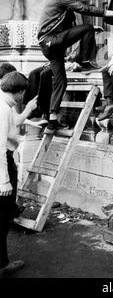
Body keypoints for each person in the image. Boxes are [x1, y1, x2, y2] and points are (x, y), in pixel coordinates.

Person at [37, 0, 113, 132]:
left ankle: (52, 120)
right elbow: (85, 9)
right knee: (88, 26)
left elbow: (67, 27)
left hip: (47, 46)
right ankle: (87, 62)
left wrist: (85, 32)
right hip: (53, 40)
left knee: (61, 81)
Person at [0, 71, 31, 277]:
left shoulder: (3, 104)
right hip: (2, 167)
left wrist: (19, 140)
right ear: (19, 92)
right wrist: (4, 181)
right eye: (23, 93)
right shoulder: (3, 109)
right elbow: (0, 148)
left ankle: (2, 263)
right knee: (3, 218)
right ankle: (2, 265)